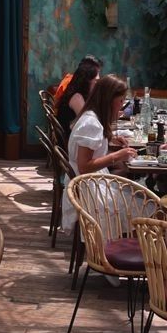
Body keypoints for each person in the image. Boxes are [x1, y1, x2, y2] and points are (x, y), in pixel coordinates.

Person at [61, 74, 138, 234]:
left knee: (137, 194)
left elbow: (91, 148)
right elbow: (84, 166)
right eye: (121, 100)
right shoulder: (92, 124)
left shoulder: (91, 117)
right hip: (87, 189)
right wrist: (117, 156)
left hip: (89, 182)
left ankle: (129, 247)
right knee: (148, 204)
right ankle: (130, 251)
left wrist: (111, 139)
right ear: (109, 99)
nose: (122, 105)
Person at [56, 57, 101, 137]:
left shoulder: (77, 93)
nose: (97, 84)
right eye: (96, 81)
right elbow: (89, 124)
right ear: (87, 81)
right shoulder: (76, 97)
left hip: (76, 137)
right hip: (70, 143)